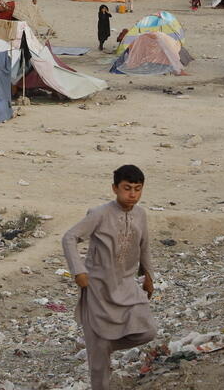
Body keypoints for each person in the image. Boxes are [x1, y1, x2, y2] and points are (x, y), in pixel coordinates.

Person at [61, 165, 157, 390]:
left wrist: (148, 277)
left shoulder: (141, 214)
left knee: (148, 330)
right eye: (127, 188)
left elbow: (145, 247)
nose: (132, 194)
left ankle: (108, 344)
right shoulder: (99, 214)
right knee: (98, 364)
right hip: (98, 289)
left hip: (126, 285)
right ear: (115, 188)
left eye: (137, 189)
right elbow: (69, 238)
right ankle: (101, 349)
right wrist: (79, 271)